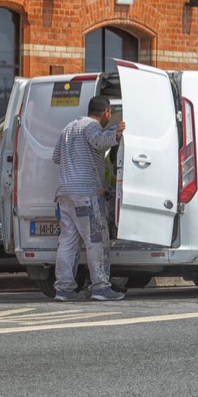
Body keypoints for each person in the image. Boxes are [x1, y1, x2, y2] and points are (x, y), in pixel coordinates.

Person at [51, 95, 126, 302]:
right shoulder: (92, 127)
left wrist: (75, 158)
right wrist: (116, 133)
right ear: (106, 112)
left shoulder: (69, 128)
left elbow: (56, 157)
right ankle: (100, 287)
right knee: (96, 241)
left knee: (67, 242)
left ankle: (64, 289)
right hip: (86, 194)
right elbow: (99, 141)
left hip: (64, 195)